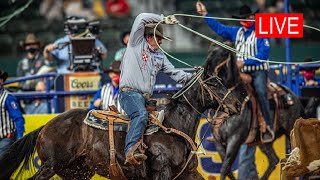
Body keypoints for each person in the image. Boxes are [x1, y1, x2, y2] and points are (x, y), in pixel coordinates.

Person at [196, 2, 272, 179]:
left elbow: (264, 54)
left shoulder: (261, 32)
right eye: (244, 18)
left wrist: (246, 62)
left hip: (257, 71)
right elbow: (219, 28)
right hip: (240, 73)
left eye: (249, 17)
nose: (247, 20)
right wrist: (205, 14)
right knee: (223, 92)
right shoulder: (236, 32)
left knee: (260, 91)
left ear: (253, 17)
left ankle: (266, 124)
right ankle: (219, 126)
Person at [119, 13, 192, 164]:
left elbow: (175, 73)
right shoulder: (136, 43)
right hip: (130, 93)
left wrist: (193, 77)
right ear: (148, 37)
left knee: (160, 123)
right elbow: (140, 17)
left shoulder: (160, 56)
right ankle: (130, 150)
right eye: (158, 38)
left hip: (145, 98)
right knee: (140, 115)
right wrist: (162, 19)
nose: (160, 42)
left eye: (161, 39)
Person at [0, 70, 25, 158]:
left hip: (6, 138)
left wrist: (19, 138)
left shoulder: (8, 98)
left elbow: (18, 118)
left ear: (1, 81)